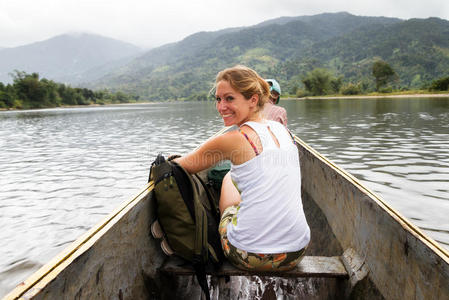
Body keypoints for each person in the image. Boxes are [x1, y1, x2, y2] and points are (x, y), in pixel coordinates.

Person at [175, 65, 310, 271]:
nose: (221, 107)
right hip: (297, 251)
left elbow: (182, 166)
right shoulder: (283, 130)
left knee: (229, 178)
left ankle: (231, 224)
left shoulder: (232, 139)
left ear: (253, 100)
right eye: (218, 99)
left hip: (252, 254)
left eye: (229, 99)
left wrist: (168, 159)